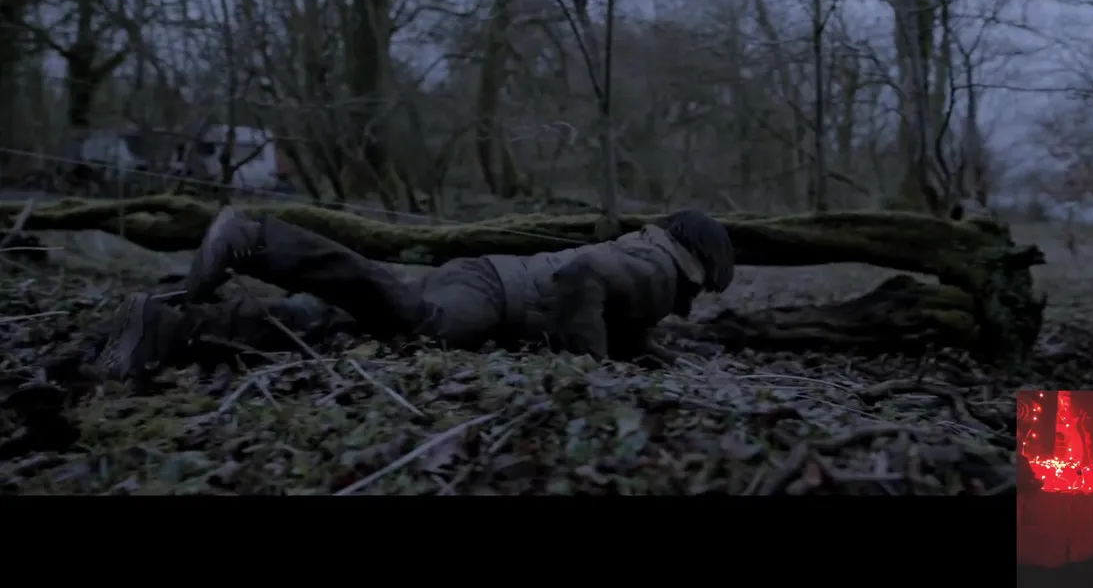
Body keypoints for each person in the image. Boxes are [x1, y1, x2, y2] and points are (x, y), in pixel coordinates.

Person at [94, 206, 736, 380]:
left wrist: (667, 358)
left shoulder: (643, 259)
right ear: (702, 264)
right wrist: (588, 366)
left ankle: (167, 328)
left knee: (336, 322)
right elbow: (581, 280)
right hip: (490, 293)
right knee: (421, 323)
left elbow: (626, 325)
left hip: (483, 279)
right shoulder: (656, 271)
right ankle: (258, 240)